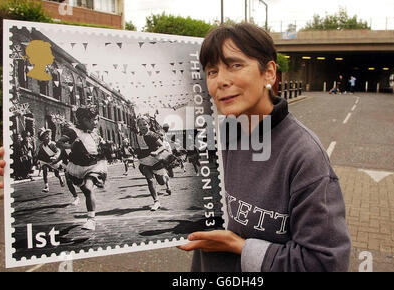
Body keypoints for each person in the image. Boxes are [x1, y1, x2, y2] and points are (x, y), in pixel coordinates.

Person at [177, 23, 351, 272]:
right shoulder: (214, 139)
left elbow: (325, 263)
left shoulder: (304, 156)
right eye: (212, 71)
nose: (222, 81)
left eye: (235, 65)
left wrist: (241, 247)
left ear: (269, 72)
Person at [56, 105, 107, 231]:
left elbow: (96, 148)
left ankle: (91, 220)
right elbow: (59, 143)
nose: (96, 123)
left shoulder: (94, 131)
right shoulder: (73, 132)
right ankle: (91, 215)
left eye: (97, 119)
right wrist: (71, 146)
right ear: (84, 120)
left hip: (94, 165)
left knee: (88, 189)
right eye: (94, 120)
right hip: (77, 167)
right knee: (86, 190)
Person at [134, 117, 172, 211]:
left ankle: (166, 178)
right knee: (150, 180)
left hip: (155, 160)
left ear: (149, 125)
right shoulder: (137, 136)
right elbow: (140, 147)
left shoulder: (152, 135)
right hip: (144, 161)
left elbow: (162, 146)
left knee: (161, 182)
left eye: (145, 124)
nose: (142, 127)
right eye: (140, 125)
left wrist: (156, 152)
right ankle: (156, 201)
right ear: (138, 126)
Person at [36, 128, 65, 193]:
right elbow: (39, 154)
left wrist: (55, 157)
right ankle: (46, 186)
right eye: (45, 137)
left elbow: (58, 151)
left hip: (54, 160)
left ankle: (60, 178)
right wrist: (38, 159)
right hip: (45, 160)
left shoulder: (53, 144)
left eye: (48, 136)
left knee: (56, 174)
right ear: (42, 138)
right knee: (44, 169)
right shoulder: (41, 146)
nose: (48, 138)